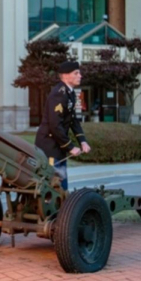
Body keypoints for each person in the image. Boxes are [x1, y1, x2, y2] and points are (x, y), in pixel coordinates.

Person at [35, 61, 91, 190]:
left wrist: (82, 141)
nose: (80, 76)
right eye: (76, 73)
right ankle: (60, 208)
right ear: (65, 76)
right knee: (52, 184)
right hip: (49, 146)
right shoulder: (58, 94)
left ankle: (64, 207)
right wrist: (70, 147)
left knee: (61, 181)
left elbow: (73, 120)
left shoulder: (69, 93)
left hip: (58, 146)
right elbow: (55, 125)